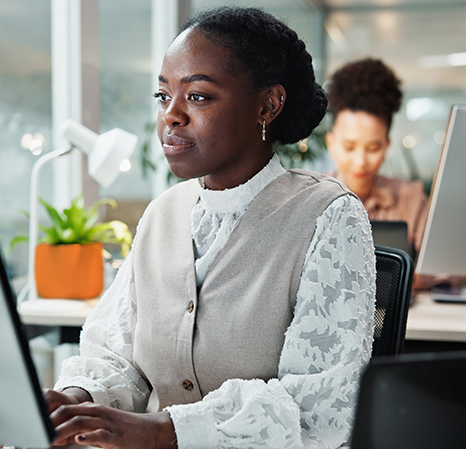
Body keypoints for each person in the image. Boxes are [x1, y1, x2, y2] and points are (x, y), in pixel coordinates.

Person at [45, 7, 376, 449]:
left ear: (268, 104)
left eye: (197, 96)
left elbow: (321, 408)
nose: (171, 116)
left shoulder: (329, 215)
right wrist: (75, 404)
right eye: (163, 96)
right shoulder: (163, 212)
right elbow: (116, 354)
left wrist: (164, 430)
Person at [325, 58, 427, 259]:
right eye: (349, 147)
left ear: (387, 145)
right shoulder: (312, 200)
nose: (360, 161)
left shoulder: (411, 199)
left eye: (373, 148)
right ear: (331, 143)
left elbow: (443, 268)